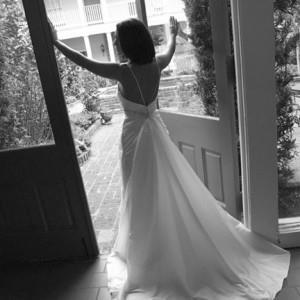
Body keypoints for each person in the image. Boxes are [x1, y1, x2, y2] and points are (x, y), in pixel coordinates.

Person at [48, 17, 290, 300]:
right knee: (166, 187)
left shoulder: (122, 72)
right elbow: (171, 49)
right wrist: (173, 33)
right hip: (156, 133)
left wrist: (55, 42)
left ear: (126, 45)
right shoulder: (157, 64)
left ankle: (150, 251)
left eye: (118, 39)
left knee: (138, 193)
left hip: (134, 138)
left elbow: (84, 61)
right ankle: (167, 241)